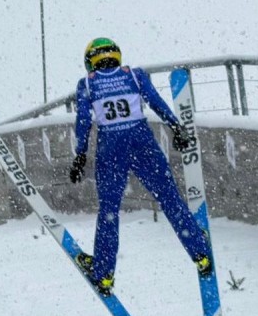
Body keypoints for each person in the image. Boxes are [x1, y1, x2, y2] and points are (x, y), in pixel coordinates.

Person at [69, 37, 212, 295]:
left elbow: (83, 122)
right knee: (168, 196)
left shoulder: (87, 84)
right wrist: (176, 126)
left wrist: (80, 155)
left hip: (110, 146)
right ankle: (200, 252)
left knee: (109, 209)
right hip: (141, 140)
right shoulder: (134, 75)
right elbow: (156, 101)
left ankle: (104, 274)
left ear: (90, 61)